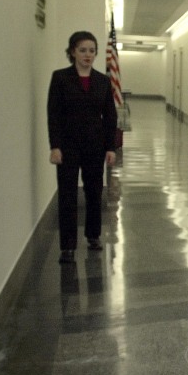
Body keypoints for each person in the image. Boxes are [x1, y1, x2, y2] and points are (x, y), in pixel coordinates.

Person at [47, 31, 117, 264]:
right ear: (72, 52)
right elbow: (53, 114)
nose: (88, 55)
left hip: (95, 145)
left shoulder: (103, 81)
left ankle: (93, 235)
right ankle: (67, 246)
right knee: (67, 194)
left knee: (94, 191)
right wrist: (55, 146)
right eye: (82, 50)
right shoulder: (60, 78)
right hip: (67, 146)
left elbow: (109, 116)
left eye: (92, 50)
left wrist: (111, 147)